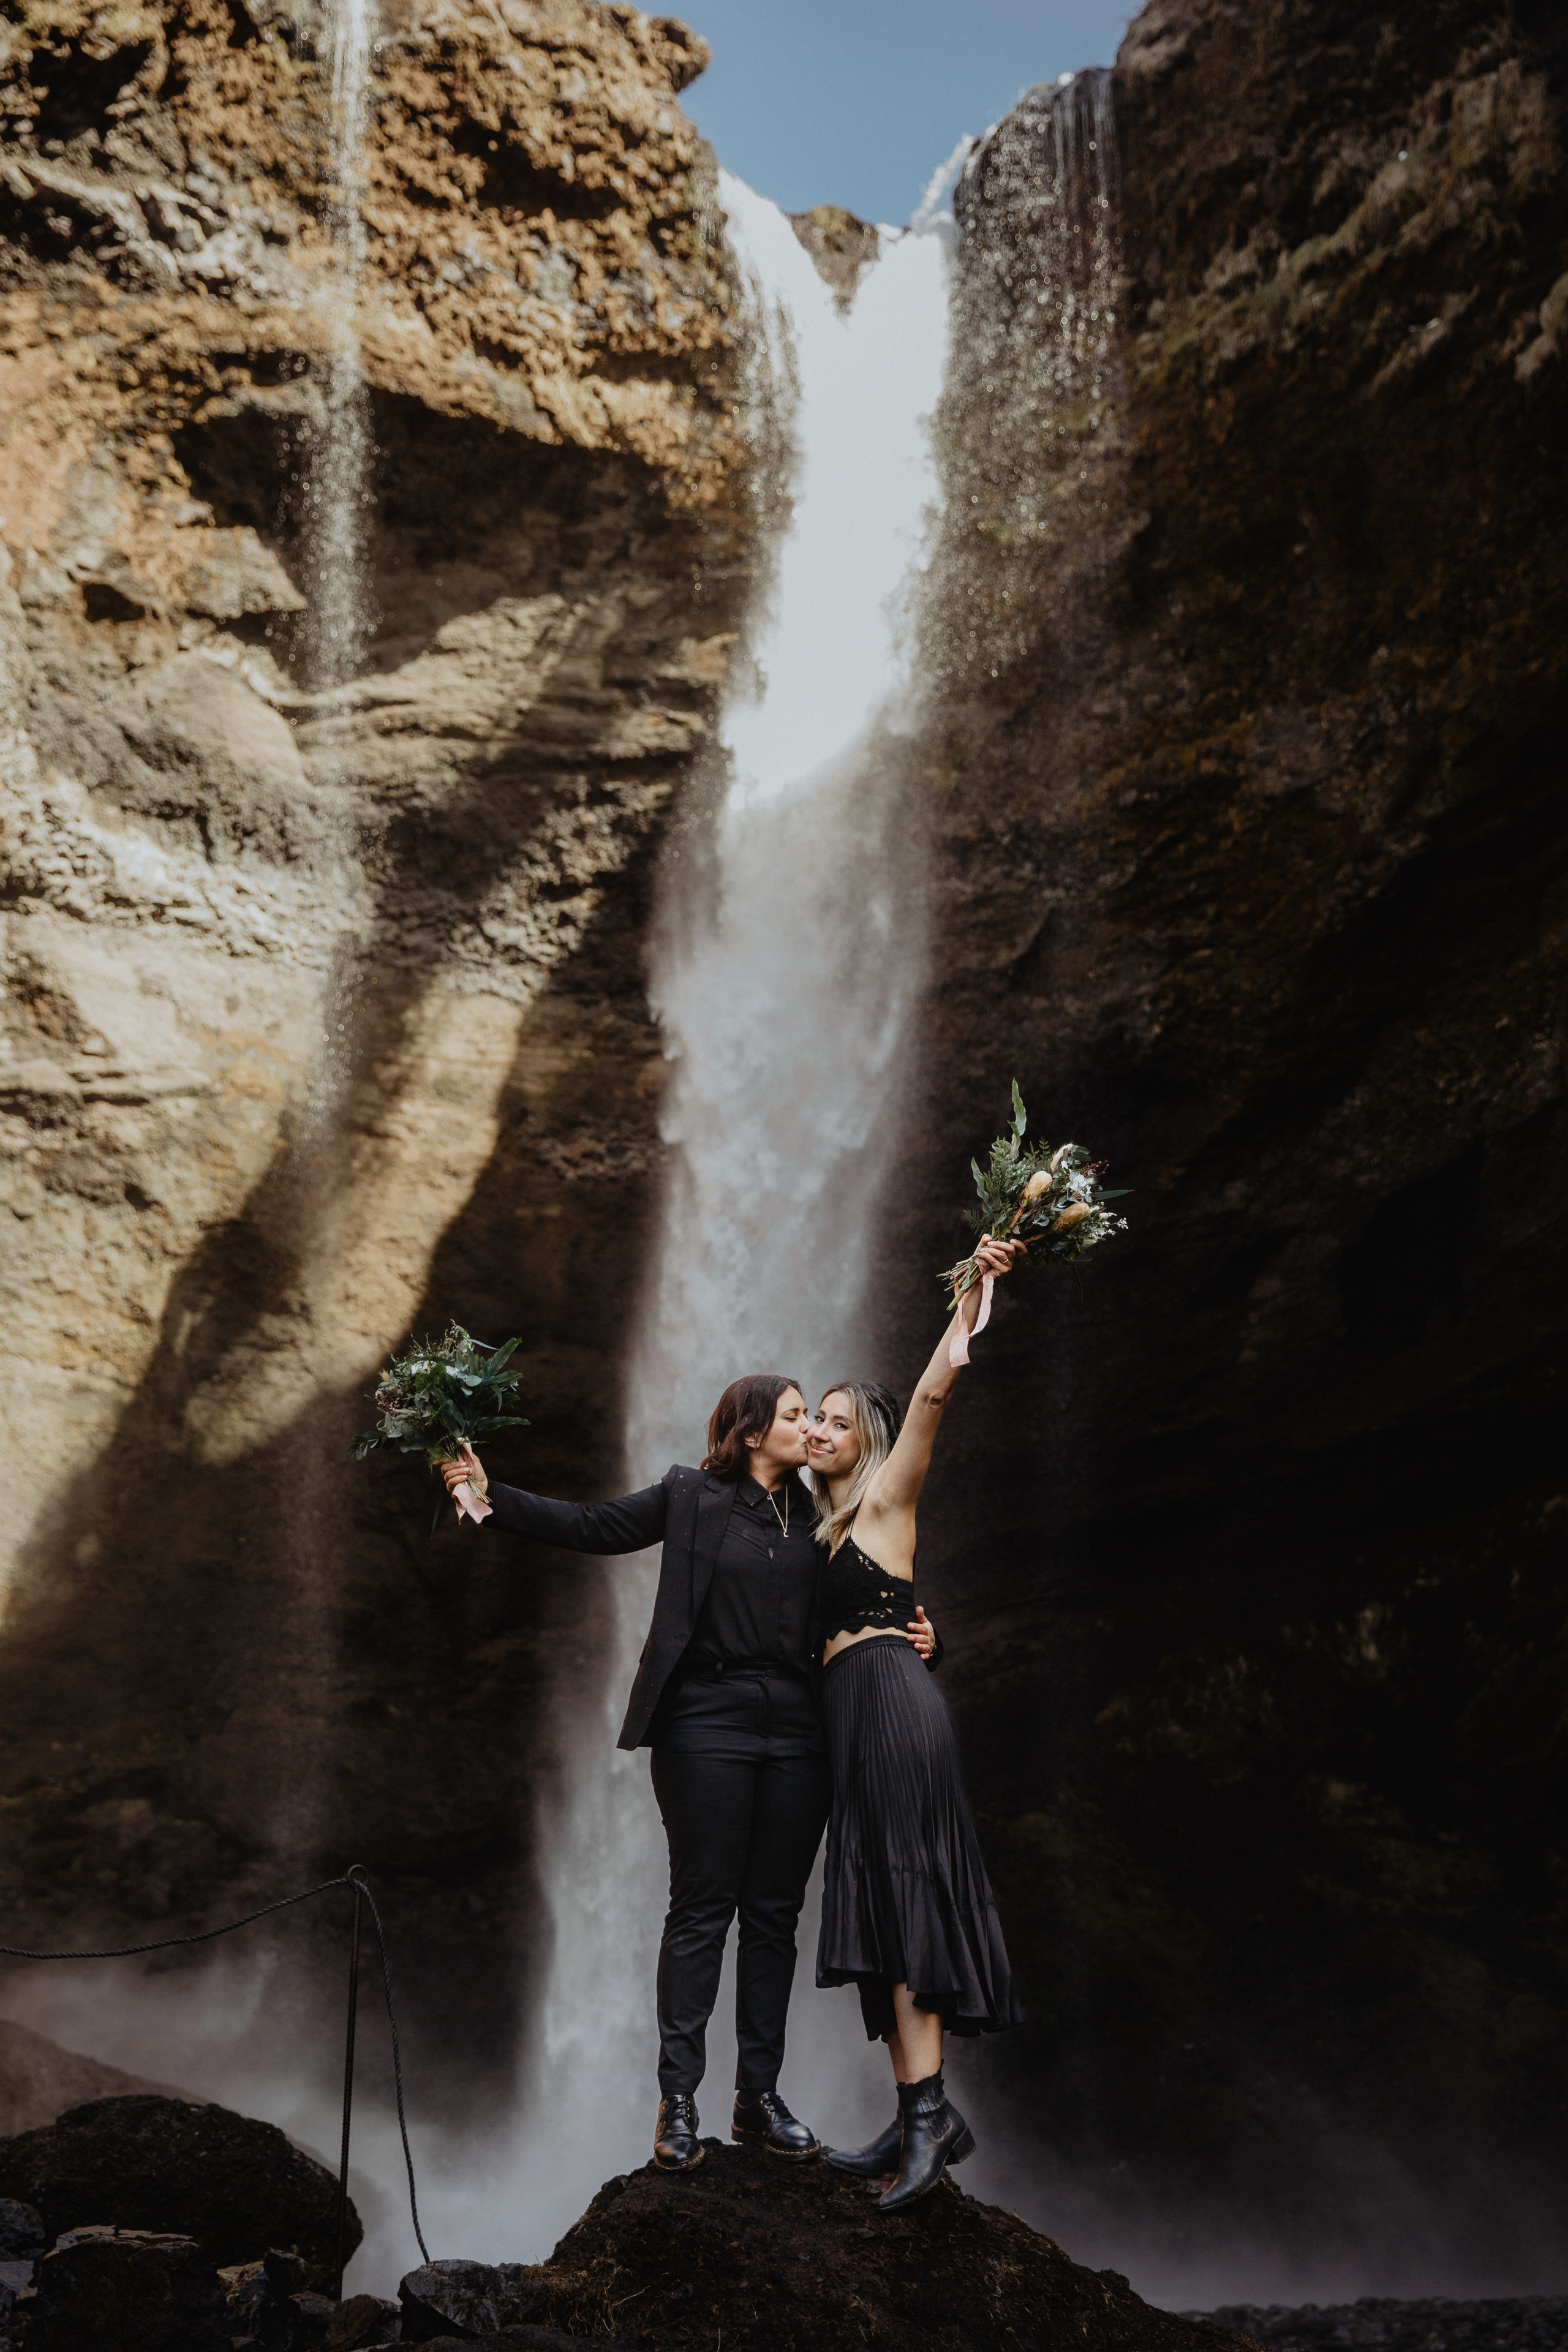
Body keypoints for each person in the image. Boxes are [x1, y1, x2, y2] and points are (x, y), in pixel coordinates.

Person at [436, 1373, 937, 2174]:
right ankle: (678, 2102)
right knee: (702, 1909)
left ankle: (759, 2099)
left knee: (773, 1918)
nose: (812, 1427)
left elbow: (870, 1601)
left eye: (818, 1417)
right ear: (751, 1431)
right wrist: (489, 1494)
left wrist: (927, 1641)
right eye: (797, 1414)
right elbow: (593, 1526)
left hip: (800, 1731)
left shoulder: (826, 1514)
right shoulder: (688, 1495)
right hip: (705, 1721)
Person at [805, 1234, 1025, 2211]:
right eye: (814, 1417)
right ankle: (915, 2116)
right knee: (879, 1909)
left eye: (838, 1421)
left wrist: (972, 1292)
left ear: (870, 1441)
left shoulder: (885, 1505)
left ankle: (930, 2119)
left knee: (905, 1898)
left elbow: (933, 1396)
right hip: (854, 1722)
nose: (820, 1430)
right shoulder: (810, 1535)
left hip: (892, 1709)